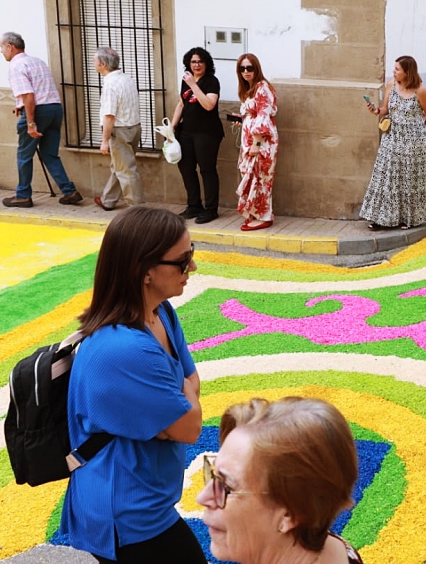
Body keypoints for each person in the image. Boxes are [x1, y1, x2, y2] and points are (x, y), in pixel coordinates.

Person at [58, 207, 204, 564]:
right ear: (145, 272)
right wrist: (172, 416)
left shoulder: (161, 313)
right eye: (183, 261)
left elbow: (193, 383)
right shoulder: (124, 348)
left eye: (192, 254)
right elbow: (189, 426)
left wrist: (166, 421)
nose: (193, 269)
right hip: (124, 514)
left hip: (144, 497)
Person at [197, 397, 363, 564]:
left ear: (290, 513)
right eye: (214, 475)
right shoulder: (336, 549)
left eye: (227, 487)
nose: (202, 497)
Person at [360, 56, 426, 228]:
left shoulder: (420, 91)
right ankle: (382, 218)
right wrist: (376, 110)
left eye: (397, 69)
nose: (394, 72)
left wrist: (421, 134)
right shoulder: (391, 85)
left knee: (409, 180)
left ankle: (409, 218)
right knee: (387, 178)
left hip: (413, 142)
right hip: (391, 138)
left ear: (407, 72)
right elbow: (385, 109)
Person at [0, 32, 83, 208]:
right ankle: (69, 191)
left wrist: (30, 123)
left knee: (24, 155)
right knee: (50, 154)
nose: (1, 52)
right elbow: (39, 91)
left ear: (10, 47)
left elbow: (29, 95)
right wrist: (21, 104)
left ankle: (22, 195)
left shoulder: (16, 66)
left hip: (38, 112)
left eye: (1, 47)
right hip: (55, 109)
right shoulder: (38, 61)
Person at [172, 47, 224, 224]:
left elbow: (209, 105)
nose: (197, 65)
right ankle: (194, 205)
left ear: (206, 63)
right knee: (186, 168)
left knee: (207, 170)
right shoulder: (186, 80)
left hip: (207, 133)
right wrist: (171, 127)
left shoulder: (211, 81)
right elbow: (181, 104)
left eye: (200, 61)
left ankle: (211, 209)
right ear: (188, 63)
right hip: (186, 131)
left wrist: (194, 84)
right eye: (193, 62)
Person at [93, 47, 145, 211]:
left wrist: (104, 140)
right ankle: (108, 199)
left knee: (126, 171)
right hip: (134, 127)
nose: (94, 64)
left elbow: (109, 116)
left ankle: (137, 208)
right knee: (120, 166)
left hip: (120, 130)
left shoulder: (110, 85)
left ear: (102, 64)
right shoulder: (126, 78)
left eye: (95, 61)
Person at [233, 54, 278, 232]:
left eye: (249, 68)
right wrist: (243, 120)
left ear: (256, 68)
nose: (246, 72)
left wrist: (257, 144)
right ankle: (256, 213)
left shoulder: (262, 88)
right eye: (242, 69)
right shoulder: (249, 89)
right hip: (252, 142)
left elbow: (264, 117)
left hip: (262, 144)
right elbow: (253, 115)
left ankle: (264, 216)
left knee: (261, 177)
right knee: (252, 177)